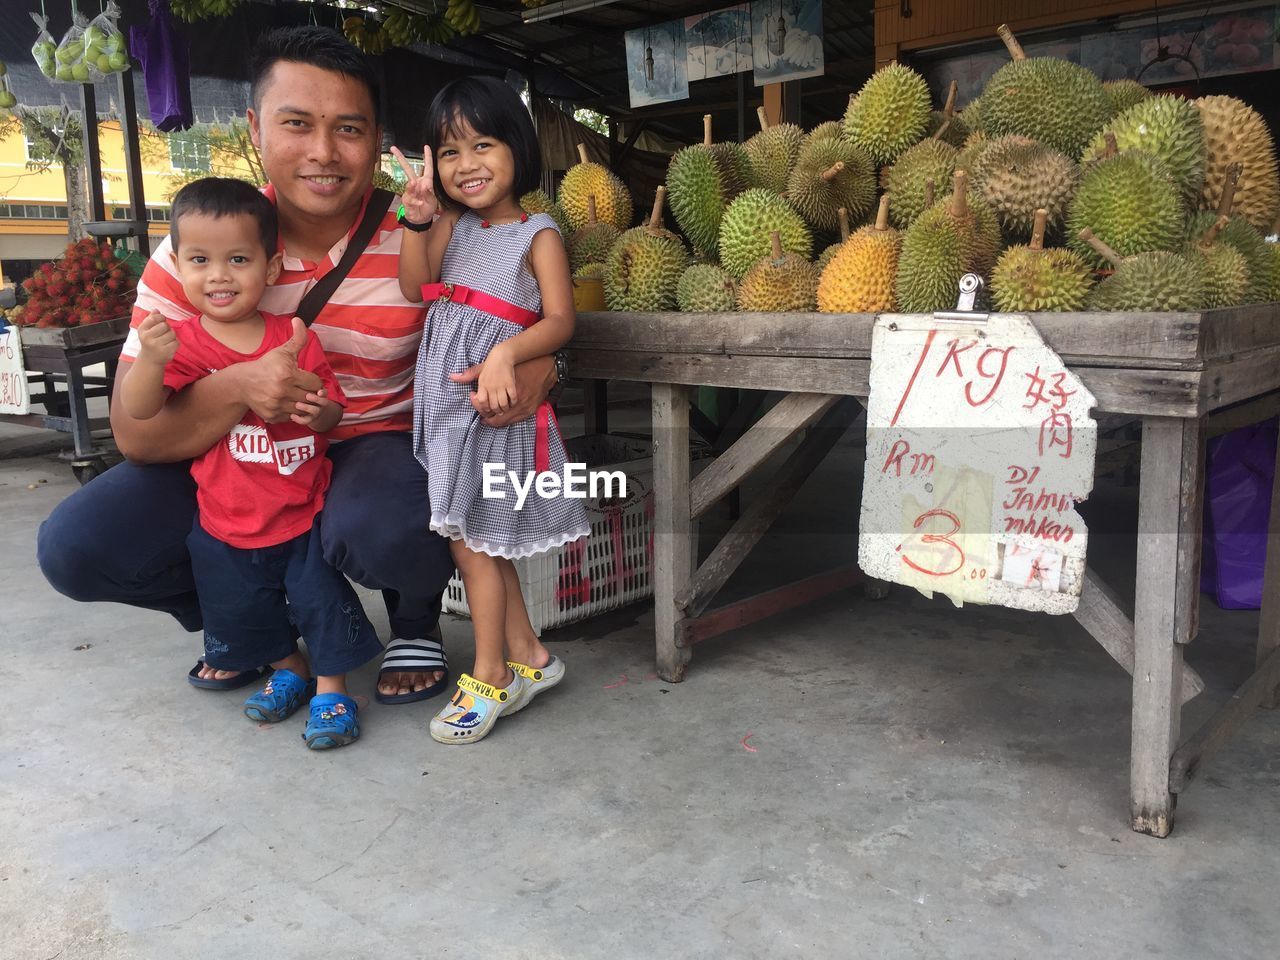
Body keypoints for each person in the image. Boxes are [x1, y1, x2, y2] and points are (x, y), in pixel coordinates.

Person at [35, 26, 563, 705]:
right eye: (297, 124)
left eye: (348, 128)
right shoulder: (199, 250)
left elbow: (518, 296)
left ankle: (414, 618)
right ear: (255, 129)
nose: (323, 152)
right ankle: (256, 618)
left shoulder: (428, 226)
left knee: (388, 523)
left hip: (372, 450)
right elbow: (136, 437)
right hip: (234, 457)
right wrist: (238, 386)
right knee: (77, 547)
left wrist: (547, 362)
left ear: (378, 141)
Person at [120, 177, 381, 748]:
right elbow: (139, 414)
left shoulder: (293, 336)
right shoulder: (182, 343)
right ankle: (291, 669)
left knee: (321, 601)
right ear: (178, 267)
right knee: (242, 607)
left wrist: (319, 413)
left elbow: (334, 409)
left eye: (238, 259)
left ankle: (332, 689)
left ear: (270, 267)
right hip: (225, 518)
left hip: (300, 508)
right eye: (200, 260)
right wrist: (148, 362)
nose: (218, 275)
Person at [394, 76, 589, 744]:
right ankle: (532, 655)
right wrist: (417, 218)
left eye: (483, 143)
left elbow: (560, 321)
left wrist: (509, 354)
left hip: (491, 407)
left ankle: (490, 674)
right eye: (449, 152)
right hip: (446, 402)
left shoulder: (538, 233)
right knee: (475, 538)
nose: (466, 164)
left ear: (518, 147)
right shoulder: (450, 226)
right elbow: (415, 285)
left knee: (472, 545)